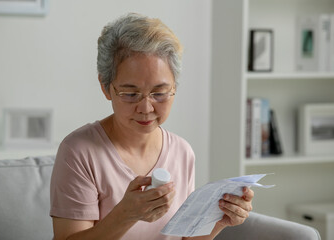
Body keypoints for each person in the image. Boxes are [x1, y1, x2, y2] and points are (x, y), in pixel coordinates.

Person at [49, 13, 254, 240]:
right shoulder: (79, 152)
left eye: (159, 93)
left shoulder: (182, 152)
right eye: (130, 93)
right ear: (106, 87)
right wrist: (126, 214)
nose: (146, 108)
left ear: (174, 87)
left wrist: (218, 222)